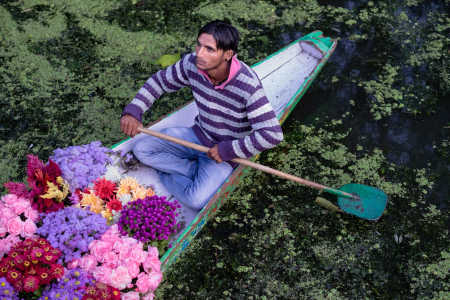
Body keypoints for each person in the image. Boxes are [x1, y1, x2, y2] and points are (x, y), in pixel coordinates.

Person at [120, 20, 283, 210]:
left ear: (228, 54)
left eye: (209, 49)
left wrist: (227, 150)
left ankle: (180, 174)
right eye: (199, 45)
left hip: (226, 155)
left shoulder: (248, 86)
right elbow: (159, 82)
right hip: (198, 135)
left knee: (195, 201)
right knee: (142, 150)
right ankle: (192, 170)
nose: (199, 53)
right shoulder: (191, 64)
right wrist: (134, 110)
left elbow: (271, 135)